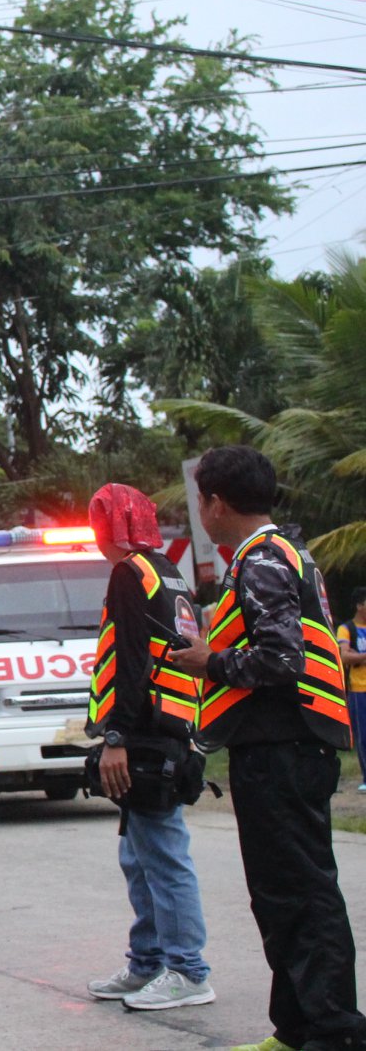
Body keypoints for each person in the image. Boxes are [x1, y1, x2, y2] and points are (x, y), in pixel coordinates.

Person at [167, 446, 366, 1051]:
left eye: (200, 499)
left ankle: (333, 1031)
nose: (199, 510)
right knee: (282, 895)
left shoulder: (263, 560)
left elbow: (281, 659)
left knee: (302, 895)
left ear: (216, 503)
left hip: (285, 748)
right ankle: (296, 1027)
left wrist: (209, 661)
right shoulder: (275, 553)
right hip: (281, 747)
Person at [79, 483, 214, 1012]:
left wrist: (116, 738)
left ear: (109, 527)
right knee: (138, 854)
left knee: (161, 855)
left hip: (146, 735)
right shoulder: (168, 571)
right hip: (171, 728)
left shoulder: (129, 573)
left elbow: (134, 662)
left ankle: (187, 970)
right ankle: (148, 961)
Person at [339, 588, 366, 792]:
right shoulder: (347, 628)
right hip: (358, 689)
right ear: (359, 605)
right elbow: (345, 656)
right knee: (362, 735)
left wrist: (360, 655)